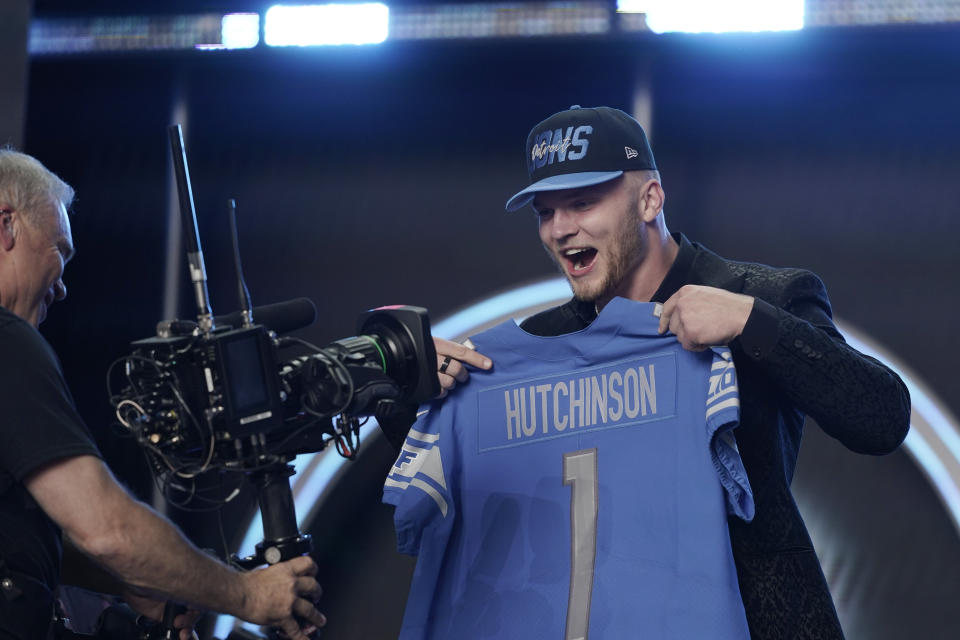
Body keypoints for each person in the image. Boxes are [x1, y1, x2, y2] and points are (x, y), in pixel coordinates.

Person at [427, 105, 911, 639]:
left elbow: (882, 418)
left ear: (650, 198)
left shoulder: (760, 297)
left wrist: (754, 323)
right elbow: (464, 499)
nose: (561, 229)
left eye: (583, 202)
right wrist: (421, 397)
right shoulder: (541, 346)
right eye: (545, 211)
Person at [0, 149, 326, 640]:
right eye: (59, 252)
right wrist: (248, 595)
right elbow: (105, 528)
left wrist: (140, 581)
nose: (63, 287)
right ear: (6, 226)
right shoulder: (7, 340)